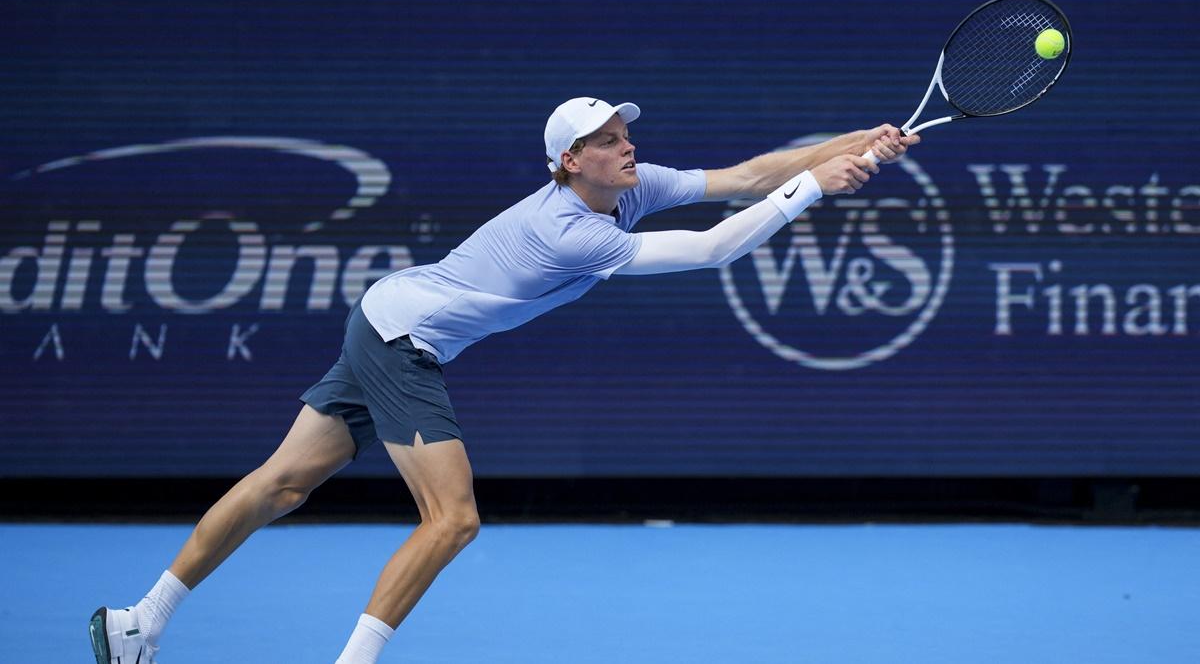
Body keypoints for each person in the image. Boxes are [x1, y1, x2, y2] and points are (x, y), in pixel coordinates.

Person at [89, 97, 918, 663]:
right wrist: (814, 188)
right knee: (452, 520)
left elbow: (746, 175)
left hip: (384, 314)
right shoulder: (568, 230)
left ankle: (140, 623)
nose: (626, 145)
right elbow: (713, 248)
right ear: (571, 162)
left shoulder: (628, 188)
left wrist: (857, 142)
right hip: (404, 339)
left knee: (283, 483)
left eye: (624, 133)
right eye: (607, 140)